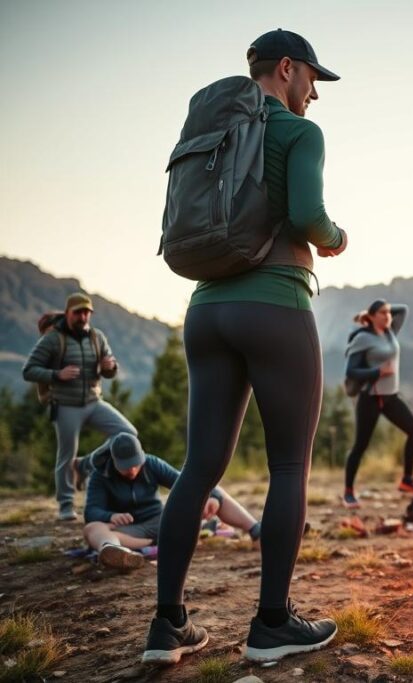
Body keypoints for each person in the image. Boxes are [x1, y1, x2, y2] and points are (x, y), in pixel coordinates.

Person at [145, 29, 346, 666]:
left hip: (206, 309)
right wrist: (336, 237)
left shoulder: (217, 129)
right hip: (275, 305)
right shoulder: (296, 131)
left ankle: (167, 627)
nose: (315, 93)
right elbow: (310, 215)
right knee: (289, 465)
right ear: (286, 69)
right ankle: (271, 626)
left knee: (199, 466)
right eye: (312, 78)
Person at [22, 292, 137, 521]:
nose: (83, 316)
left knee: (128, 433)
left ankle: (84, 465)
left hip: (94, 402)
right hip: (66, 405)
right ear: (68, 313)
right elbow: (29, 370)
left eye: (87, 312)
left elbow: (110, 370)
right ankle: (66, 506)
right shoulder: (54, 339)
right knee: (65, 456)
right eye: (78, 312)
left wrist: (110, 366)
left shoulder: (97, 337)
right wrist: (57, 374)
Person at [83, 433, 260, 571]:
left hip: (162, 520)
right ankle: (115, 552)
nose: (132, 470)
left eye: (135, 464)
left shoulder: (151, 464)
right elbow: (91, 511)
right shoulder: (100, 476)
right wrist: (111, 515)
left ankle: (257, 531)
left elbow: (185, 482)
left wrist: (213, 495)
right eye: (126, 466)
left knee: (216, 492)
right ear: (114, 461)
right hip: (129, 531)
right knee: (92, 529)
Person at [342, 299, 413, 508]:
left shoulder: (390, 331)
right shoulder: (363, 338)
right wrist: (377, 372)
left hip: (390, 397)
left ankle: (407, 480)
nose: (388, 316)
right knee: (360, 446)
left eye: (388, 313)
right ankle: (348, 492)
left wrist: (380, 311)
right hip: (370, 398)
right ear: (372, 317)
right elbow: (351, 371)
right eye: (382, 313)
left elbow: (404, 309)